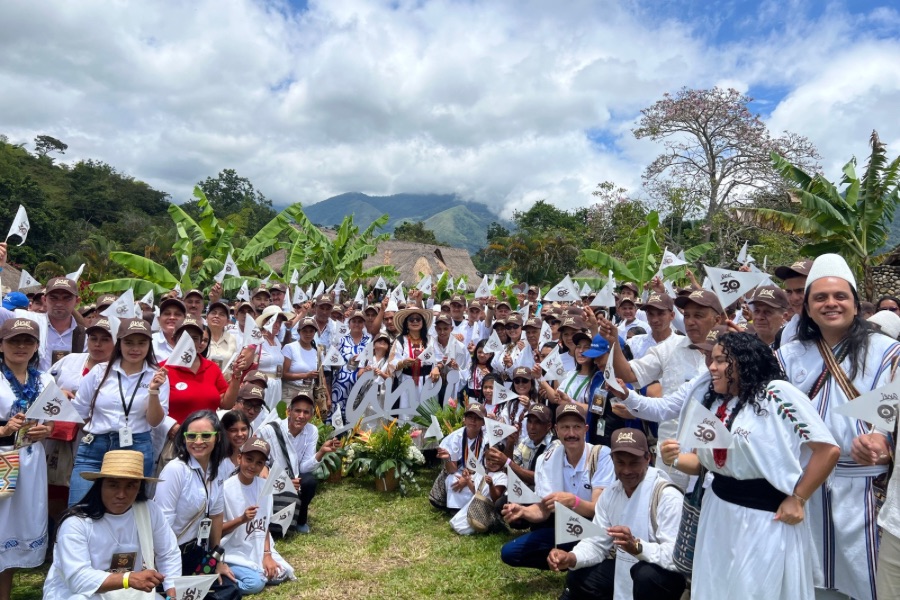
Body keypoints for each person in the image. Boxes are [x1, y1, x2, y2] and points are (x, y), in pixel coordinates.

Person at [663, 332, 840, 600]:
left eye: (721, 360)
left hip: (762, 517)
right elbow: (705, 463)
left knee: (755, 590)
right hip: (718, 512)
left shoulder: (777, 394)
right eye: (712, 360)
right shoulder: (718, 402)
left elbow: (827, 449)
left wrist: (798, 498)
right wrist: (673, 457)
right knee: (717, 587)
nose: (711, 367)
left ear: (744, 362)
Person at [778, 254, 900, 600]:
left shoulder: (889, 353)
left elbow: (893, 416)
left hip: (865, 490)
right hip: (805, 486)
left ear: (855, 303)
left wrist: (884, 441)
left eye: (840, 296)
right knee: (811, 583)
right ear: (808, 307)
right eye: (820, 297)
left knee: (870, 583)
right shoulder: (788, 356)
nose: (831, 303)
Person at [548, 428, 686, 600]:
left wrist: (638, 547)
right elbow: (596, 543)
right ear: (612, 461)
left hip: (662, 576)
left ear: (647, 459)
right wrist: (571, 557)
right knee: (578, 577)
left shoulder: (667, 496)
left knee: (645, 575)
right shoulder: (611, 493)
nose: (627, 471)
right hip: (625, 566)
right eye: (620, 463)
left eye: (634, 463)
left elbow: (677, 558)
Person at [42, 450, 181, 600]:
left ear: (139, 487)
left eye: (130, 486)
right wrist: (128, 579)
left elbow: (168, 552)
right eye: (113, 485)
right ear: (100, 485)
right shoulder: (76, 523)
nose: (121, 494)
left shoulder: (149, 510)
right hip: (80, 594)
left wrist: (171, 592)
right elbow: (78, 579)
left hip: (130, 592)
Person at [500, 404, 615, 571]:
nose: (571, 433)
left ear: (586, 429)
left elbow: (597, 509)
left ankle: (584, 559)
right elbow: (544, 509)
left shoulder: (601, 455)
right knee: (510, 552)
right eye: (565, 427)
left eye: (576, 427)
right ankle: (565, 561)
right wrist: (524, 512)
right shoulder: (547, 459)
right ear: (556, 430)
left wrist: (573, 502)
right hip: (566, 527)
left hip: (594, 528)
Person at [69, 318, 169, 506]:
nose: (135, 349)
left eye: (142, 343)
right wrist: (94, 431)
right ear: (119, 343)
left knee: (126, 510)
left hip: (135, 448)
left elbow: (155, 421)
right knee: (79, 508)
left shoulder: (157, 375)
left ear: (150, 345)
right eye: (129, 342)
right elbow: (79, 410)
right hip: (94, 448)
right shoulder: (100, 371)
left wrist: (154, 391)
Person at [154, 409, 239, 595]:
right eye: (191, 435)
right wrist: (169, 577)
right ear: (183, 438)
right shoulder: (175, 471)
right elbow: (161, 526)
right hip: (170, 555)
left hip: (196, 552)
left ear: (217, 438)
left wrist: (216, 560)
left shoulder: (215, 470)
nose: (198, 441)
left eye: (206, 436)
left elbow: (216, 515)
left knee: (229, 590)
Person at [0, 318, 55, 599]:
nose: (21, 346)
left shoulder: (46, 379)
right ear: (2, 344)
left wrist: (46, 430)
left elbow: (53, 421)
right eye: (13, 340)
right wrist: (4, 429)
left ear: (36, 346)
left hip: (31, 461)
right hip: (2, 458)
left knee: (16, 527)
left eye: (27, 341)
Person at [47, 316, 116, 520]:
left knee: (88, 492)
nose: (97, 344)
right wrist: (58, 393)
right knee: (55, 486)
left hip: (92, 441)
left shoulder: (118, 370)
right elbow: (43, 385)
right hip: (58, 439)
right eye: (93, 338)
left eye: (105, 339)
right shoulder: (70, 360)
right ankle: (55, 535)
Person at [256, 391, 340, 534]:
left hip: (295, 476)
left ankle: (300, 519)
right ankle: (269, 519)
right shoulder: (270, 430)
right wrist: (284, 480)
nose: (301, 416)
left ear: (311, 415)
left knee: (309, 482)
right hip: (270, 476)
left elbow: (303, 467)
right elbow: (259, 463)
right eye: (297, 411)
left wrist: (321, 452)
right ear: (289, 411)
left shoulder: (311, 430)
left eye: (306, 412)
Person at [220, 436, 294, 593]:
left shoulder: (264, 487)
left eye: (259, 463)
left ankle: (251, 571)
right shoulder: (225, 489)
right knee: (256, 583)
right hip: (233, 550)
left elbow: (264, 524)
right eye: (249, 459)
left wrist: (266, 554)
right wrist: (241, 519)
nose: (253, 466)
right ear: (239, 458)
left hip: (257, 546)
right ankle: (221, 583)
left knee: (282, 572)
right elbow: (217, 531)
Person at [163, 316, 240, 424]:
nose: (189, 342)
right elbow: (152, 407)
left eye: (194, 338)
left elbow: (226, 404)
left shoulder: (212, 368)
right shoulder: (162, 369)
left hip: (208, 436)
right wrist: (171, 427)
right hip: (175, 436)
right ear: (173, 340)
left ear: (200, 342)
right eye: (185, 337)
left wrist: (236, 377)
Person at [487, 403, 554, 488]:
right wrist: (510, 443)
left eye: (538, 422)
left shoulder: (554, 446)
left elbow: (540, 478)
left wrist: (507, 461)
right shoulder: (526, 441)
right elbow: (509, 470)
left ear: (548, 426)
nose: (532, 427)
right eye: (529, 421)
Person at [434, 403, 487, 511]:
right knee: (451, 479)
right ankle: (455, 509)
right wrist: (447, 458)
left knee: (480, 482)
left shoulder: (488, 440)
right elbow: (452, 469)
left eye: (477, 418)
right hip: (459, 472)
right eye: (470, 417)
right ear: (464, 419)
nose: (473, 421)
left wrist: (468, 480)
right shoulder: (453, 438)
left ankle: (474, 509)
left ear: (483, 422)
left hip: (479, 473)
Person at [449, 446, 508, 535]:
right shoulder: (482, 472)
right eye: (488, 459)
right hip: (475, 503)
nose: (491, 463)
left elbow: (496, 498)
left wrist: (491, 485)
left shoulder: (501, 476)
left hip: (487, 507)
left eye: (495, 460)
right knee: (456, 524)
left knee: (466, 529)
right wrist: (468, 479)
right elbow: (475, 491)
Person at [331, 310, 371, 426]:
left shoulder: (368, 341)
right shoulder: (341, 340)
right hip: (340, 386)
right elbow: (332, 361)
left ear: (363, 324)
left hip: (360, 385)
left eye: (360, 322)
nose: (357, 324)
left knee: (356, 418)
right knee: (337, 419)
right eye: (354, 321)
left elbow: (371, 362)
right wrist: (347, 362)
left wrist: (363, 368)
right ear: (349, 323)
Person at [774, 258, 813, 347]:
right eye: (789, 292)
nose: (794, 298)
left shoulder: (834, 329)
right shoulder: (784, 333)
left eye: (800, 291)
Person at [205, 300, 238, 375]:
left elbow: (234, 364)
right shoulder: (200, 337)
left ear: (227, 321)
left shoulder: (232, 339)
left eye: (222, 314)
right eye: (213, 313)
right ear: (207, 317)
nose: (216, 316)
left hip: (226, 383)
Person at [219, 409, 252, 481]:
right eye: (233, 430)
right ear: (224, 431)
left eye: (243, 429)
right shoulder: (220, 461)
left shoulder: (245, 455)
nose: (240, 434)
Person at [153, 297, 187, 362]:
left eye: (177, 314)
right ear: (159, 319)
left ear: (184, 319)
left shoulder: (191, 341)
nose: (172, 317)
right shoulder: (150, 342)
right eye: (167, 314)